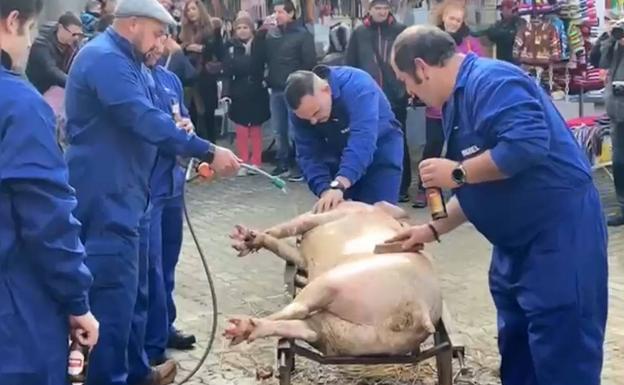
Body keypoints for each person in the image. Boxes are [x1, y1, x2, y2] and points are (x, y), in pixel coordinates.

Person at [388, 25, 608, 385]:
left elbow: (526, 146)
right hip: (515, 246)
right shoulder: (455, 102)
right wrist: (430, 229)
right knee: (518, 351)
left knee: (563, 350)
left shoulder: (494, 81)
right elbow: (481, 183)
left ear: (421, 67)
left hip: (559, 236)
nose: (409, 92)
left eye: (405, 80)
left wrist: (456, 173)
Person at [63, 0, 241, 384]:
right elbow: (141, 118)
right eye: (158, 33)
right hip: (106, 195)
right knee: (112, 297)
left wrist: (181, 128)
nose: (163, 42)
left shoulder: (134, 64)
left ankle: (137, 371)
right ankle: (110, 378)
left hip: (135, 194)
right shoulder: (104, 59)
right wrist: (208, 149)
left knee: (136, 294)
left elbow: (158, 114)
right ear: (131, 25)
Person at [0, 1, 99, 384]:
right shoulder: (19, 105)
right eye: (31, 31)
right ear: (13, 22)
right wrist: (77, 302)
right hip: (14, 315)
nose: (28, 46)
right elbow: (48, 222)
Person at [142, 34, 196, 366]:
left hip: (173, 183)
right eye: (152, 40)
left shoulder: (169, 79)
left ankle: (165, 324)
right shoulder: (135, 82)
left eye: (163, 41)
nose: (157, 48)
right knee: (150, 265)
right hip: (148, 186)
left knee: (168, 260)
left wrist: (186, 127)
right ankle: (150, 341)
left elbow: (182, 119)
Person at [284, 65, 404, 212]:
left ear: (326, 90)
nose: (313, 121)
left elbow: (363, 138)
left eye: (316, 113)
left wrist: (340, 184)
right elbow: (307, 154)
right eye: (307, 119)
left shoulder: (358, 85)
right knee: (340, 218)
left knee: (379, 218)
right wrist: (324, 190)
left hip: (380, 150)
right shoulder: (301, 109)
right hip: (338, 155)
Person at [345, 0, 411, 202]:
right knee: (367, 137)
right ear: (370, 10)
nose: (381, 12)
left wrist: (406, 88)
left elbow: (408, 59)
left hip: (395, 94)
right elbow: (351, 62)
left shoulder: (401, 31)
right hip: (367, 96)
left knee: (398, 139)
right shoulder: (359, 33)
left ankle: (402, 185)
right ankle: (370, 182)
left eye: (385, 8)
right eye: (377, 8)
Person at [257, 0, 316, 181]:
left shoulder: (303, 35)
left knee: (295, 130)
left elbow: (309, 62)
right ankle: (283, 162)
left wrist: (303, 85)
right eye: (275, 12)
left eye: (281, 12)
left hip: (294, 89)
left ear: (291, 14)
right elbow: (262, 57)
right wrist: (260, 34)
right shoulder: (271, 35)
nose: (277, 16)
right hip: (275, 88)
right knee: (279, 130)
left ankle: (300, 166)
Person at [222, 15, 271, 174]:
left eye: (245, 27)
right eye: (239, 28)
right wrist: (226, 93)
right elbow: (227, 74)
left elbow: (267, 64)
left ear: (251, 29)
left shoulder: (260, 45)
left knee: (256, 128)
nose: (242, 31)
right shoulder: (230, 48)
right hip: (239, 91)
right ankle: (243, 162)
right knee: (241, 129)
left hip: (257, 89)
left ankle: (256, 162)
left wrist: (266, 80)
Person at [179, 0, 223, 143]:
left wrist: (202, 49)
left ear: (200, 10)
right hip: (190, 78)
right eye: (188, 10)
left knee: (208, 114)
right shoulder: (184, 30)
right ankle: (196, 149)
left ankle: (212, 147)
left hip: (206, 76)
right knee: (193, 115)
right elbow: (179, 51)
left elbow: (219, 51)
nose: (191, 12)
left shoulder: (212, 28)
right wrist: (188, 48)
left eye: (193, 9)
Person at [597, 16, 624, 227]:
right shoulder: (617, 43)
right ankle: (623, 208)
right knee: (619, 163)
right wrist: (607, 36)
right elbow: (598, 61)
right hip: (617, 113)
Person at [25, 11, 84, 94]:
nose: (76, 38)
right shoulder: (41, 44)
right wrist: (75, 84)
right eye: (74, 34)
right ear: (60, 27)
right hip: (40, 89)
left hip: (60, 88)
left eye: (79, 34)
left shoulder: (74, 44)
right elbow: (51, 70)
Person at [478, 0, 525, 64]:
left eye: (503, 9)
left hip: (517, 64)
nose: (502, 11)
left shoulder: (520, 23)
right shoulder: (499, 25)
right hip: (502, 64)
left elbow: (517, 40)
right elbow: (488, 39)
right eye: (502, 9)